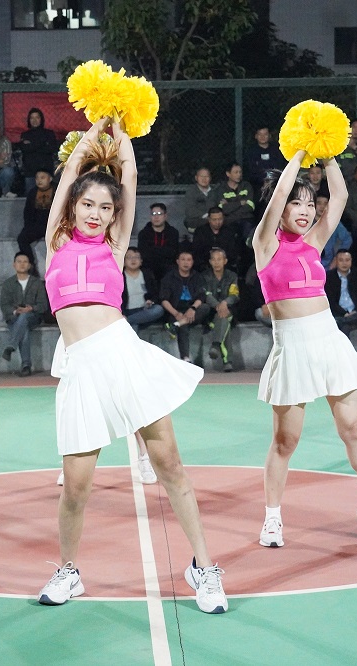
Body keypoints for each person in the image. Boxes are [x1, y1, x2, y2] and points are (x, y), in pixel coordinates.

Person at [37, 117, 226, 614]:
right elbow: (69, 175)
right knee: (76, 488)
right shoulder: (56, 243)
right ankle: (68, 571)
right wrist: (90, 133)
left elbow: (132, 177)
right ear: (72, 206)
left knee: (170, 466)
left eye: (105, 207)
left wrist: (120, 131)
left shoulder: (114, 246)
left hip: (123, 357)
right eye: (88, 204)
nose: (96, 214)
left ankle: (204, 568)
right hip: (81, 369)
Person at [252, 149, 357, 551]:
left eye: (308, 203)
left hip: (329, 341)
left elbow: (339, 197)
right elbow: (279, 194)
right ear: (280, 208)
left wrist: (328, 152)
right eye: (295, 204)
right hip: (292, 347)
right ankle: (272, 518)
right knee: (286, 442)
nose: (305, 211)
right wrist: (300, 152)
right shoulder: (264, 243)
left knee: (354, 430)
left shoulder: (314, 241)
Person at [0, 251, 48, 376]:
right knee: (23, 328)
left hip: (33, 317)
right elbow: (4, 305)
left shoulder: (37, 283)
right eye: (19, 261)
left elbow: (44, 305)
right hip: (14, 318)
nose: (22, 264)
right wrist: (16, 311)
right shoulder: (8, 284)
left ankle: (12, 345)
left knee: (25, 317)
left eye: (25, 262)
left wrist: (31, 308)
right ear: (14, 265)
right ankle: (26, 366)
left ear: (29, 265)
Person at [159, 249, 207, 363]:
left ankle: (176, 325)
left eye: (189, 260)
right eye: (183, 259)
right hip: (175, 310)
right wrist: (176, 313)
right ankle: (185, 358)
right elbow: (164, 300)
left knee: (205, 307)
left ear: (192, 262)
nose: (186, 262)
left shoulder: (197, 276)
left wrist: (193, 308)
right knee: (183, 325)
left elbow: (201, 296)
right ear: (178, 261)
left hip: (192, 310)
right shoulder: (169, 277)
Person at [199, 247, 239, 372]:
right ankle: (227, 361)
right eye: (214, 259)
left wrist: (225, 303)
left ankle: (216, 346)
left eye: (219, 259)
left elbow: (234, 294)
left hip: (228, 309)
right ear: (210, 262)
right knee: (223, 318)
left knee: (223, 316)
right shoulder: (204, 276)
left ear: (225, 261)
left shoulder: (232, 276)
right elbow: (206, 295)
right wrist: (218, 306)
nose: (216, 262)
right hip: (210, 312)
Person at [325, 248, 357, 337]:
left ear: (351, 261)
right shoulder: (329, 277)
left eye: (347, 260)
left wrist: (355, 311)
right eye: (341, 260)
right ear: (336, 261)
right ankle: (346, 321)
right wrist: (344, 313)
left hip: (356, 311)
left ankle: (342, 321)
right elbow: (330, 300)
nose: (344, 263)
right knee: (345, 327)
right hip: (339, 312)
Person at [17, 169, 54, 275]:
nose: (39, 180)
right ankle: (32, 268)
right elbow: (27, 212)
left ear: (50, 179)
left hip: (53, 225)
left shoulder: (57, 191)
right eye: (37, 178)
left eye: (42, 178)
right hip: (36, 225)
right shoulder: (33, 192)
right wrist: (28, 227)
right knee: (22, 239)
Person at [121, 246, 163, 332]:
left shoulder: (147, 274)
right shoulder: (120, 276)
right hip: (128, 311)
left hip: (144, 310)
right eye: (129, 257)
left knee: (159, 309)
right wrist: (122, 314)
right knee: (134, 325)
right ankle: (129, 320)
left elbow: (155, 293)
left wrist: (151, 301)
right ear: (124, 262)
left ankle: (127, 321)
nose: (133, 260)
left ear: (141, 261)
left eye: (136, 257)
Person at [18, 108, 58, 194]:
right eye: (32, 118)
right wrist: (43, 143)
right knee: (31, 196)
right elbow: (25, 149)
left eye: (37, 117)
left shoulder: (49, 133)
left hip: (46, 169)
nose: (34, 120)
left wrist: (32, 144)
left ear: (41, 119)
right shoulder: (25, 134)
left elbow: (51, 149)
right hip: (30, 171)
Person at [136, 202, 180, 280]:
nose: (156, 217)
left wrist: (154, 250)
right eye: (153, 214)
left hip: (168, 267)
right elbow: (144, 254)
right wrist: (162, 251)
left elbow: (172, 253)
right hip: (149, 268)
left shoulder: (173, 232)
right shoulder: (143, 233)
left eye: (159, 214)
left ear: (165, 216)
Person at [191, 207, 239, 273]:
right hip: (204, 267)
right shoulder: (200, 231)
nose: (217, 222)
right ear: (209, 219)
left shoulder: (229, 231)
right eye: (214, 219)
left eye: (220, 219)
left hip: (225, 267)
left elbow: (233, 252)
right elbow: (196, 252)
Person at [214, 162, 256, 237]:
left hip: (246, 219)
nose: (239, 175)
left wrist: (229, 204)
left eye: (240, 172)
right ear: (228, 174)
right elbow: (223, 209)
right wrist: (240, 203)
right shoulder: (221, 189)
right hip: (230, 221)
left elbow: (250, 206)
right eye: (236, 172)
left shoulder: (246, 186)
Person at [244, 127, 285, 195]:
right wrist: (263, 180)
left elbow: (280, 167)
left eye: (265, 134)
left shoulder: (276, 150)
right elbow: (250, 170)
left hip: (275, 183)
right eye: (260, 134)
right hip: (257, 185)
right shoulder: (251, 152)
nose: (262, 137)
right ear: (256, 136)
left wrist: (272, 180)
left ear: (269, 135)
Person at [183, 167, 214, 240]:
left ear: (210, 178)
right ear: (196, 178)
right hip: (196, 220)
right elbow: (190, 210)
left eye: (206, 176)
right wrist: (207, 216)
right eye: (201, 176)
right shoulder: (191, 192)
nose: (204, 179)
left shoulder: (215, 191)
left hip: (214, 219)